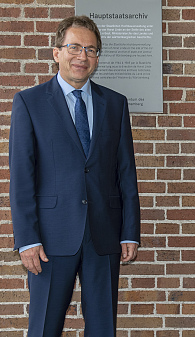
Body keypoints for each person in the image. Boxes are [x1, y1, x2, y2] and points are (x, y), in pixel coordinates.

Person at [9, 15, 140, 336]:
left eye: (91, 50)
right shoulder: (29, 102)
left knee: (103, 327)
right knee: (44, 326)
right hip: (50, 239)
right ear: (57, 53)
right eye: (75, 47)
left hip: (104, 235)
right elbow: (21, 175)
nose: (83, 56)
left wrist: (130, 231)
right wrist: (27, 238)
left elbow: (126, 171)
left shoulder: (115, 104)